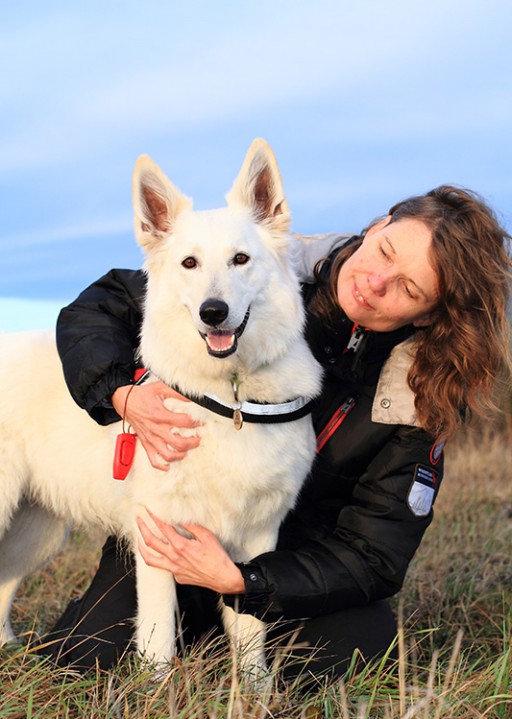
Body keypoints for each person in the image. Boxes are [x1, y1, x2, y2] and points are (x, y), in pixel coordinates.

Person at [42, 185, 511, 685]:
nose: (375, 281)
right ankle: (193, 638)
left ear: (427, 315)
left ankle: (234, 652)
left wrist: (246, 581)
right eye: (386, 250)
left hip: (289, 565)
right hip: (179, 533)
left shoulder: (420, 395)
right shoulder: (266, 257)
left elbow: (374, 557)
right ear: (378, 226)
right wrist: (121, 392)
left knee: (364, 649)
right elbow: (99, 307)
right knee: (85, 663)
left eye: (407, 288)